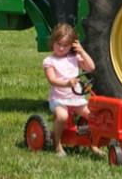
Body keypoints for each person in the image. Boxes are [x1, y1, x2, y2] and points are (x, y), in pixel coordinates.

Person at [42, 23, 100, 157]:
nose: (61, 48)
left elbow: (91, 67)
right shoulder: (49, 61)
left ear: (72, 45)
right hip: (59, 99)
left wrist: (82, 51)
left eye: (66, 45)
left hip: (76, 99)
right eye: (58, 44)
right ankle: (57, 145)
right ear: (53, 42)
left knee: (93, 117)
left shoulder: (74, 58)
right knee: (62, 116)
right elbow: (52, 80)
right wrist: (67, 84)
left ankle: (94, 144)